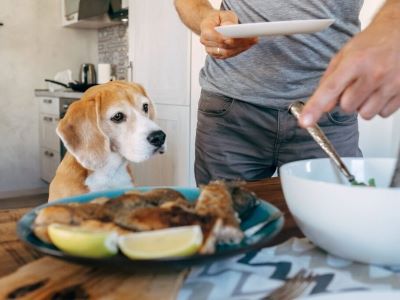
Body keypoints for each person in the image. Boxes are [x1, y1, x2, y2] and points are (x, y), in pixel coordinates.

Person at [174, 0, 400, 185]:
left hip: (328, 109)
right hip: (230, 110)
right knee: (224, 227)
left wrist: (392, 24)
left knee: (336, 225)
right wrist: (206, 18)